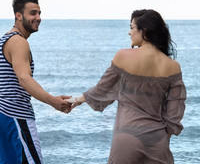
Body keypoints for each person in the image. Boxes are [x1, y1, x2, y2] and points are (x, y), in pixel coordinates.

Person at [67, 9, 186, 164]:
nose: (129, 33)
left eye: (131, 28)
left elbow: (102, 90)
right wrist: (163, 138)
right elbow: (174, 114)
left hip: (127, 137)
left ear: (144, 31)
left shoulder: (123, 56)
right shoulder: (173, 67)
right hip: (157, 140)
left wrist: (76, 99)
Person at [0, 0, 72, 164]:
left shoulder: (4, 39)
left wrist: (0, 109)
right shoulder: (19, 42)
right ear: (19, 16)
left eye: (39, 13)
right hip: (15, 116)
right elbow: (24, 79)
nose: (38, 18)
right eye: (33, 13)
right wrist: (53, 101)